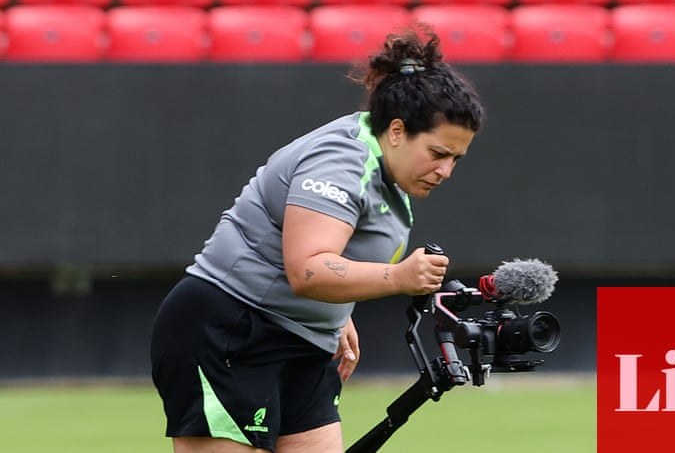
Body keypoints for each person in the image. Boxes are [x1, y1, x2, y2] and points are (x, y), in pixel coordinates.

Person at [150, 26, 485, 453]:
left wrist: (336, 311)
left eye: (457, 158)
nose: (446, 171)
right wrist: (397, 276)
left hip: (301, 341)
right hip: (231, 331)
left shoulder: (389, 172)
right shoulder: (343, 160)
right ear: (397, 131)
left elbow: (325, 253)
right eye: (438, 154)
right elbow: (307, 269)